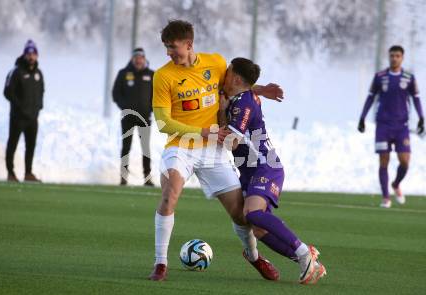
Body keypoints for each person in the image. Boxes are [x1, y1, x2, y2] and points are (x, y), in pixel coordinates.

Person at [149, 19, 284, 281]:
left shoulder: (216, 63)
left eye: (172, 47)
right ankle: (160, 263)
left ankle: (253, 256)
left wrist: (261, 90)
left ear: (189, 44)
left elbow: (234, 85)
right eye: (165, 47)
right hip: (181, 147)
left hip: (213, 151)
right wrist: (203, 131)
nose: (168, 53)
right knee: (170, 194)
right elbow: (164, 123)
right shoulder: (163, 76)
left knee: (241, 214)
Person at [219, 57, 327, 284]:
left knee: (254, 215)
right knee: (257, 229)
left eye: (227, 72)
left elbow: (232, 142)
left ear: (236, 78)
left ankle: (303, 252)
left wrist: (215, 120)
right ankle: (308, 261)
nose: (223, 75)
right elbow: (246, 89)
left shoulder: (243, 104)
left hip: (265, 166)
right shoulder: (241, 96)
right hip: (251, 171)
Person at [358, 45, 424, 208]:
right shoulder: (380, 76)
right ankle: (386, 197)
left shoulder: (409, 77)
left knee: (405, 161)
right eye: (392, 55)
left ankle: (396, 184)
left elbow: (416, 98)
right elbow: (370, 97)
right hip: (383, 125)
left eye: (397, 56)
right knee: (384, 160)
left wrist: (422, 117)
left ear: (402, 58)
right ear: (389, 57)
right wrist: (362, 117)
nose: (394, 58)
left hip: (401, 126)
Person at [113, 47, 154, 186]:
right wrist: (124, 106)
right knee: (126, 147)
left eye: (141, 57)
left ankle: (147, 178)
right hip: (128, 117)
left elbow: (158, 95)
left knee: (146, 148)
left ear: (144, 59)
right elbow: (115, 94)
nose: (138, 60)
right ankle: (123, 178)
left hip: (144, 117)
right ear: (132, 59)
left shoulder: (151, 75)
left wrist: (151, 108)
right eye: (136, 57)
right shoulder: (124, 73)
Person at [4, 40, 44, 183]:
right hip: (18, 117)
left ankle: (28, 172)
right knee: (13, 144)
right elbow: (8, 92)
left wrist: (39, 107)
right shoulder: (16, 71)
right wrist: (19, 107)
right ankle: (10, 172)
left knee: (31, 146)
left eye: (34, 53)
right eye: (29, 53)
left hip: (33, 118)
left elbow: (41, 91)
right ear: (25, 54)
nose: (31, 56)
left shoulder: (39, 73)